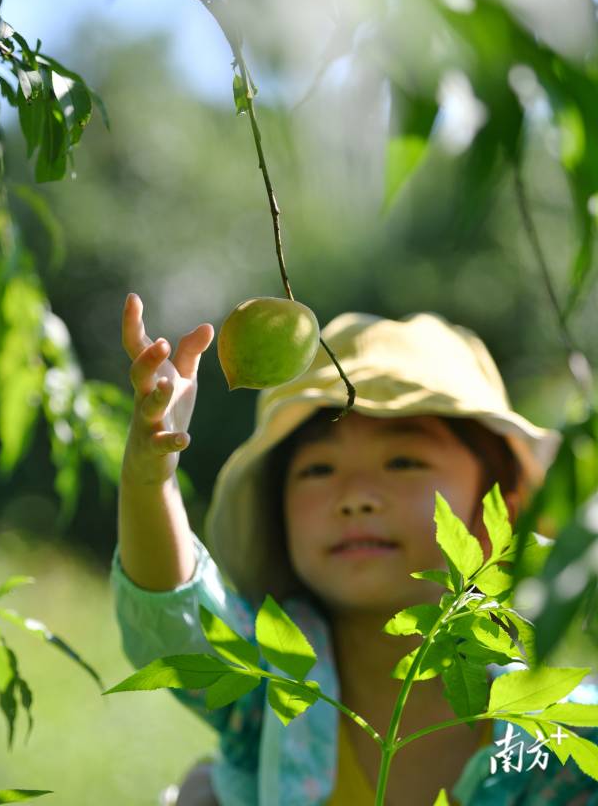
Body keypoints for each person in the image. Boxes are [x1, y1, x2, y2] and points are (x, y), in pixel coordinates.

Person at [112, 293, 598, 805]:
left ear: (500, 508)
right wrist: (151, 478)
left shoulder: (560, 742)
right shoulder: (274, 682)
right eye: (318, 470)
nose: (356, 498)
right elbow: (178, 621)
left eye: (403, 462)